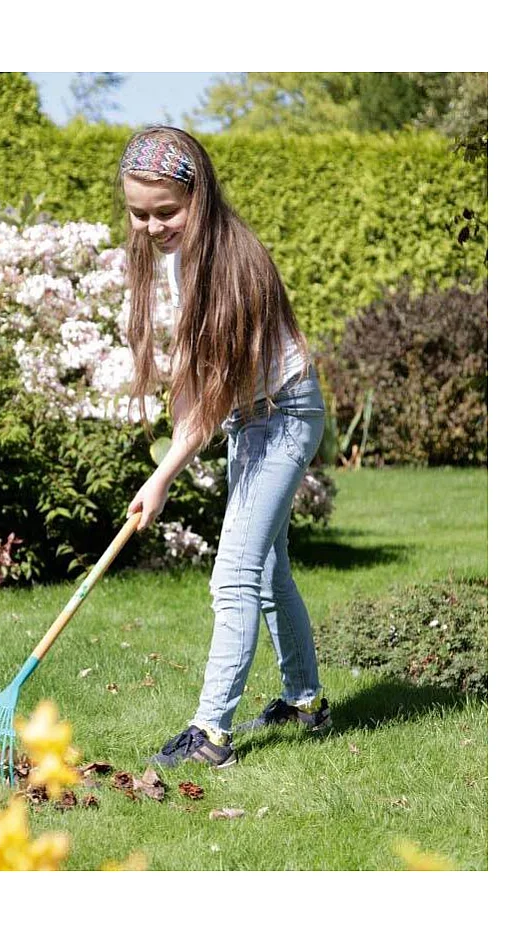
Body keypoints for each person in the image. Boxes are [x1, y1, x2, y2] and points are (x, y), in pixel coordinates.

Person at [118, 126, 331, 769]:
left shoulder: (234, 262)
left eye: (166, 211)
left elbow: (209, 402)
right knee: (268, 573)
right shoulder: (187, 255)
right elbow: (196, 376)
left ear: (199, 194)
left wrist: (160, 479)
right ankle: (305, 700)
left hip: (285, 417)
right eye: (139, 213)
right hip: (253, 418)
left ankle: (210, 733)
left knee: (234, 573)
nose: (152, 227)